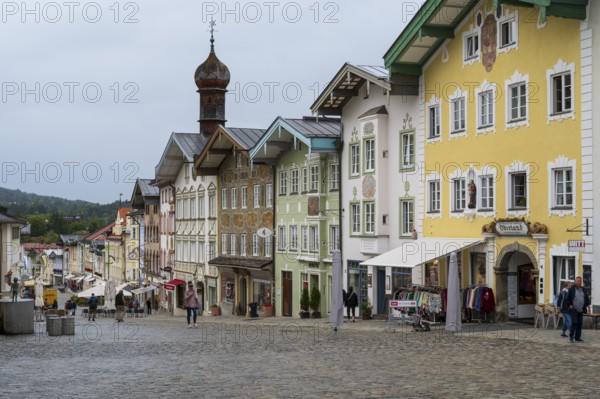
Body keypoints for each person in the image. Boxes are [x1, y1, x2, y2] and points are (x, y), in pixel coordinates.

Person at [566, 276, 591, 343]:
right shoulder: (572, 289)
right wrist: (570, 305)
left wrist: (589, 309)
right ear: (575, 281)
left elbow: (587, 299)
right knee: (574, 323)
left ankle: (577, 337)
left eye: (580, 281)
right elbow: (568, 298)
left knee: (579, 324)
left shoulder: (583, 289)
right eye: (577, 281)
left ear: (581, 282)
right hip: (574, 309)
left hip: (581, 309)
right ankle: (571, 336)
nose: (578, 282)